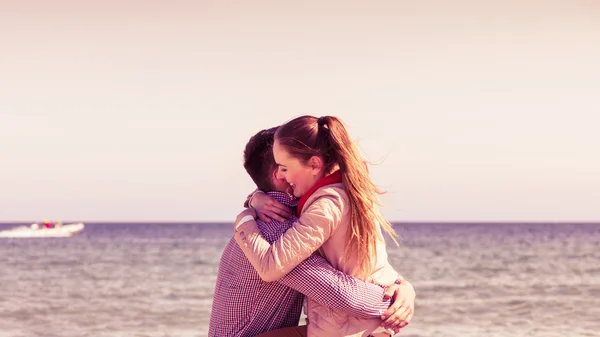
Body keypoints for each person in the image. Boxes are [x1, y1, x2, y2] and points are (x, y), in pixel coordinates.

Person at [209, 127, 415, 337]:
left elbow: (367, 263)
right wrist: (398, 301)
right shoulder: (277, 231)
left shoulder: (277, 217)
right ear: (281, 175)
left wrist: (403, 285)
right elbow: (344, 296)